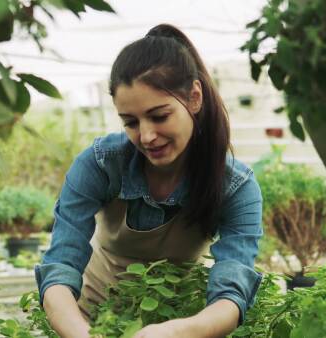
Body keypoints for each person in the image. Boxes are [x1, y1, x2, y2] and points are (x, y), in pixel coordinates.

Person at [35, 24, 263, 338]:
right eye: (130, 122)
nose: (146, 136)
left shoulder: (236, 187)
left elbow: (232, 296)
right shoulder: (101, 164)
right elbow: (60, 265)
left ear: (194, 98)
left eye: (159, 116)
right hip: (89, 315)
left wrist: (179, 332)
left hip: (180, 319)